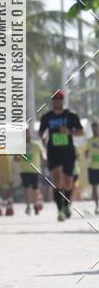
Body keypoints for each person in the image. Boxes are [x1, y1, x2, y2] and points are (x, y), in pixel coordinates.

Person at [39, 89, 84, 222]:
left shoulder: (71, 116)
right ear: (52, 101)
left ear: (62, 101)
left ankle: (66, 205)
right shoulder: (46, 117)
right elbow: (41, 131)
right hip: (53, 152)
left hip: (68, 152)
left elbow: (80, 132)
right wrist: (43, 138)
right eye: (55, 99)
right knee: (57, 180)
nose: (57, 101)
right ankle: (60, 211)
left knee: (68, 183)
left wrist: (69, 131)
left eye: (59, 99)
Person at [19, 127, 43, 215]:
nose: (26, 136)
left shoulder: (36, 145)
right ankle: (28, 206)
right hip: (24, 170)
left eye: (27, 134)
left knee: (35, 189)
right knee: (26, 188)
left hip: (35, 170)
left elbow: (43, 154)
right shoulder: (20, 146)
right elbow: (15, 158)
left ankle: (36, 204)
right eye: (24, 134)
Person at [86, 121, 99, 215]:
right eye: (93, 128)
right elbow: (86, 153)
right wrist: (87, 154)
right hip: (92, 167)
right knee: (94, 188)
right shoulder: (89, 141)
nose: (95, 130)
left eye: (97, 128)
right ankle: (97, 206)